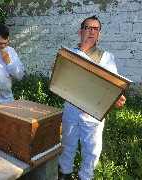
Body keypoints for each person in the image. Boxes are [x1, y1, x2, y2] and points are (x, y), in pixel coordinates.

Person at [57, 15, 126, 180]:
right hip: (72, 106)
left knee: (92, 149)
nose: (92, 32)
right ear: (80, 31)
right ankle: (65, 173)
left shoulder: (106, 57)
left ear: (100, 34)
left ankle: (85, 177)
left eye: (96, 29)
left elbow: (113, 84)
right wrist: (55, 69)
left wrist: (117, 97)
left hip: (93, 111)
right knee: (67, 143)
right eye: (88, 28)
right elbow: (55, 78)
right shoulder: (69, 54)